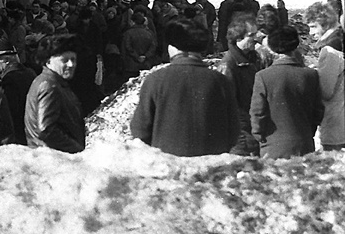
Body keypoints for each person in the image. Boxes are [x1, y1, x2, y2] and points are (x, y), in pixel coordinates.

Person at [130, 19, 240, 157]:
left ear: (172, 47)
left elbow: (140, 130)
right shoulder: (220, 81)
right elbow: (234, 131)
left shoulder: (155, 80)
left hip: (169, 169)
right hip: (210, 169)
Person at [250, 26, 324, 159]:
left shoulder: (263, 76)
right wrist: (308, 132)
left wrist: (259, 136)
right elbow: (318, 110)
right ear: (295, 45)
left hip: (273, 146)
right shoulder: (310, 74)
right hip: (304, 143)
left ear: (272, 48)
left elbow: (258, 113)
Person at [24, 34, 85, 153]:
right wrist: (77, 150)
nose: (71, 65)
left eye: (73, 59)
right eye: (65, 60)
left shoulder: (52, 82)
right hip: (53, 160)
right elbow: (47, 130)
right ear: (48, 61)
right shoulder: (49, 86)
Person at [218, 14, 261, 156]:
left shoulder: (252, 58)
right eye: (251, 35)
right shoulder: (229, 65)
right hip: (242, 136)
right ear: (238, 38)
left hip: (254, 128)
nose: (256, 38)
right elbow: (228, 106)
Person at [0, 42, 36, 145]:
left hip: (18, 134)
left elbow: (9, 110)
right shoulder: (29, 72)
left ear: (6, 61)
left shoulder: (10, 79)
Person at [120, 11, 156, 80]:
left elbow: (127, 47)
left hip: (130, 65)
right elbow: (153, 47)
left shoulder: (128, 33)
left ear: (133, 21)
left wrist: (136, 56)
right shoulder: (149, 33)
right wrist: (145, 56)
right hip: (146, 64)